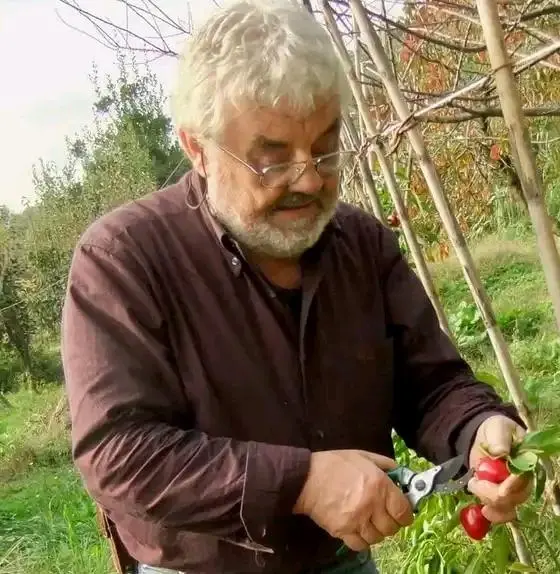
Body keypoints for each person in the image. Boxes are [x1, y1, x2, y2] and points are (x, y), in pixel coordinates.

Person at [61, 1, 532, 573]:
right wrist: (302, 483)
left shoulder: (362, 245)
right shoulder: (124, 260)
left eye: (325, 146)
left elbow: (429, 383)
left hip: (340, 562)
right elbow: (120, 453)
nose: (309, 178)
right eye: (272, 158)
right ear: (198, 148)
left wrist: (477, 429)